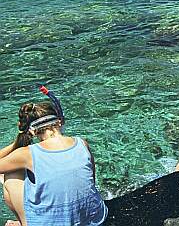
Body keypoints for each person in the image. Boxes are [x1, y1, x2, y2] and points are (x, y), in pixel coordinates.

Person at [0, 89, 108, 226]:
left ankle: (26, 223)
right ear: (59, 122)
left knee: (10, 174)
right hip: (95, 219)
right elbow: (91, 181)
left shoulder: (27, 154)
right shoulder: (82, 143)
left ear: (32, 131)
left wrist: (17, 142)